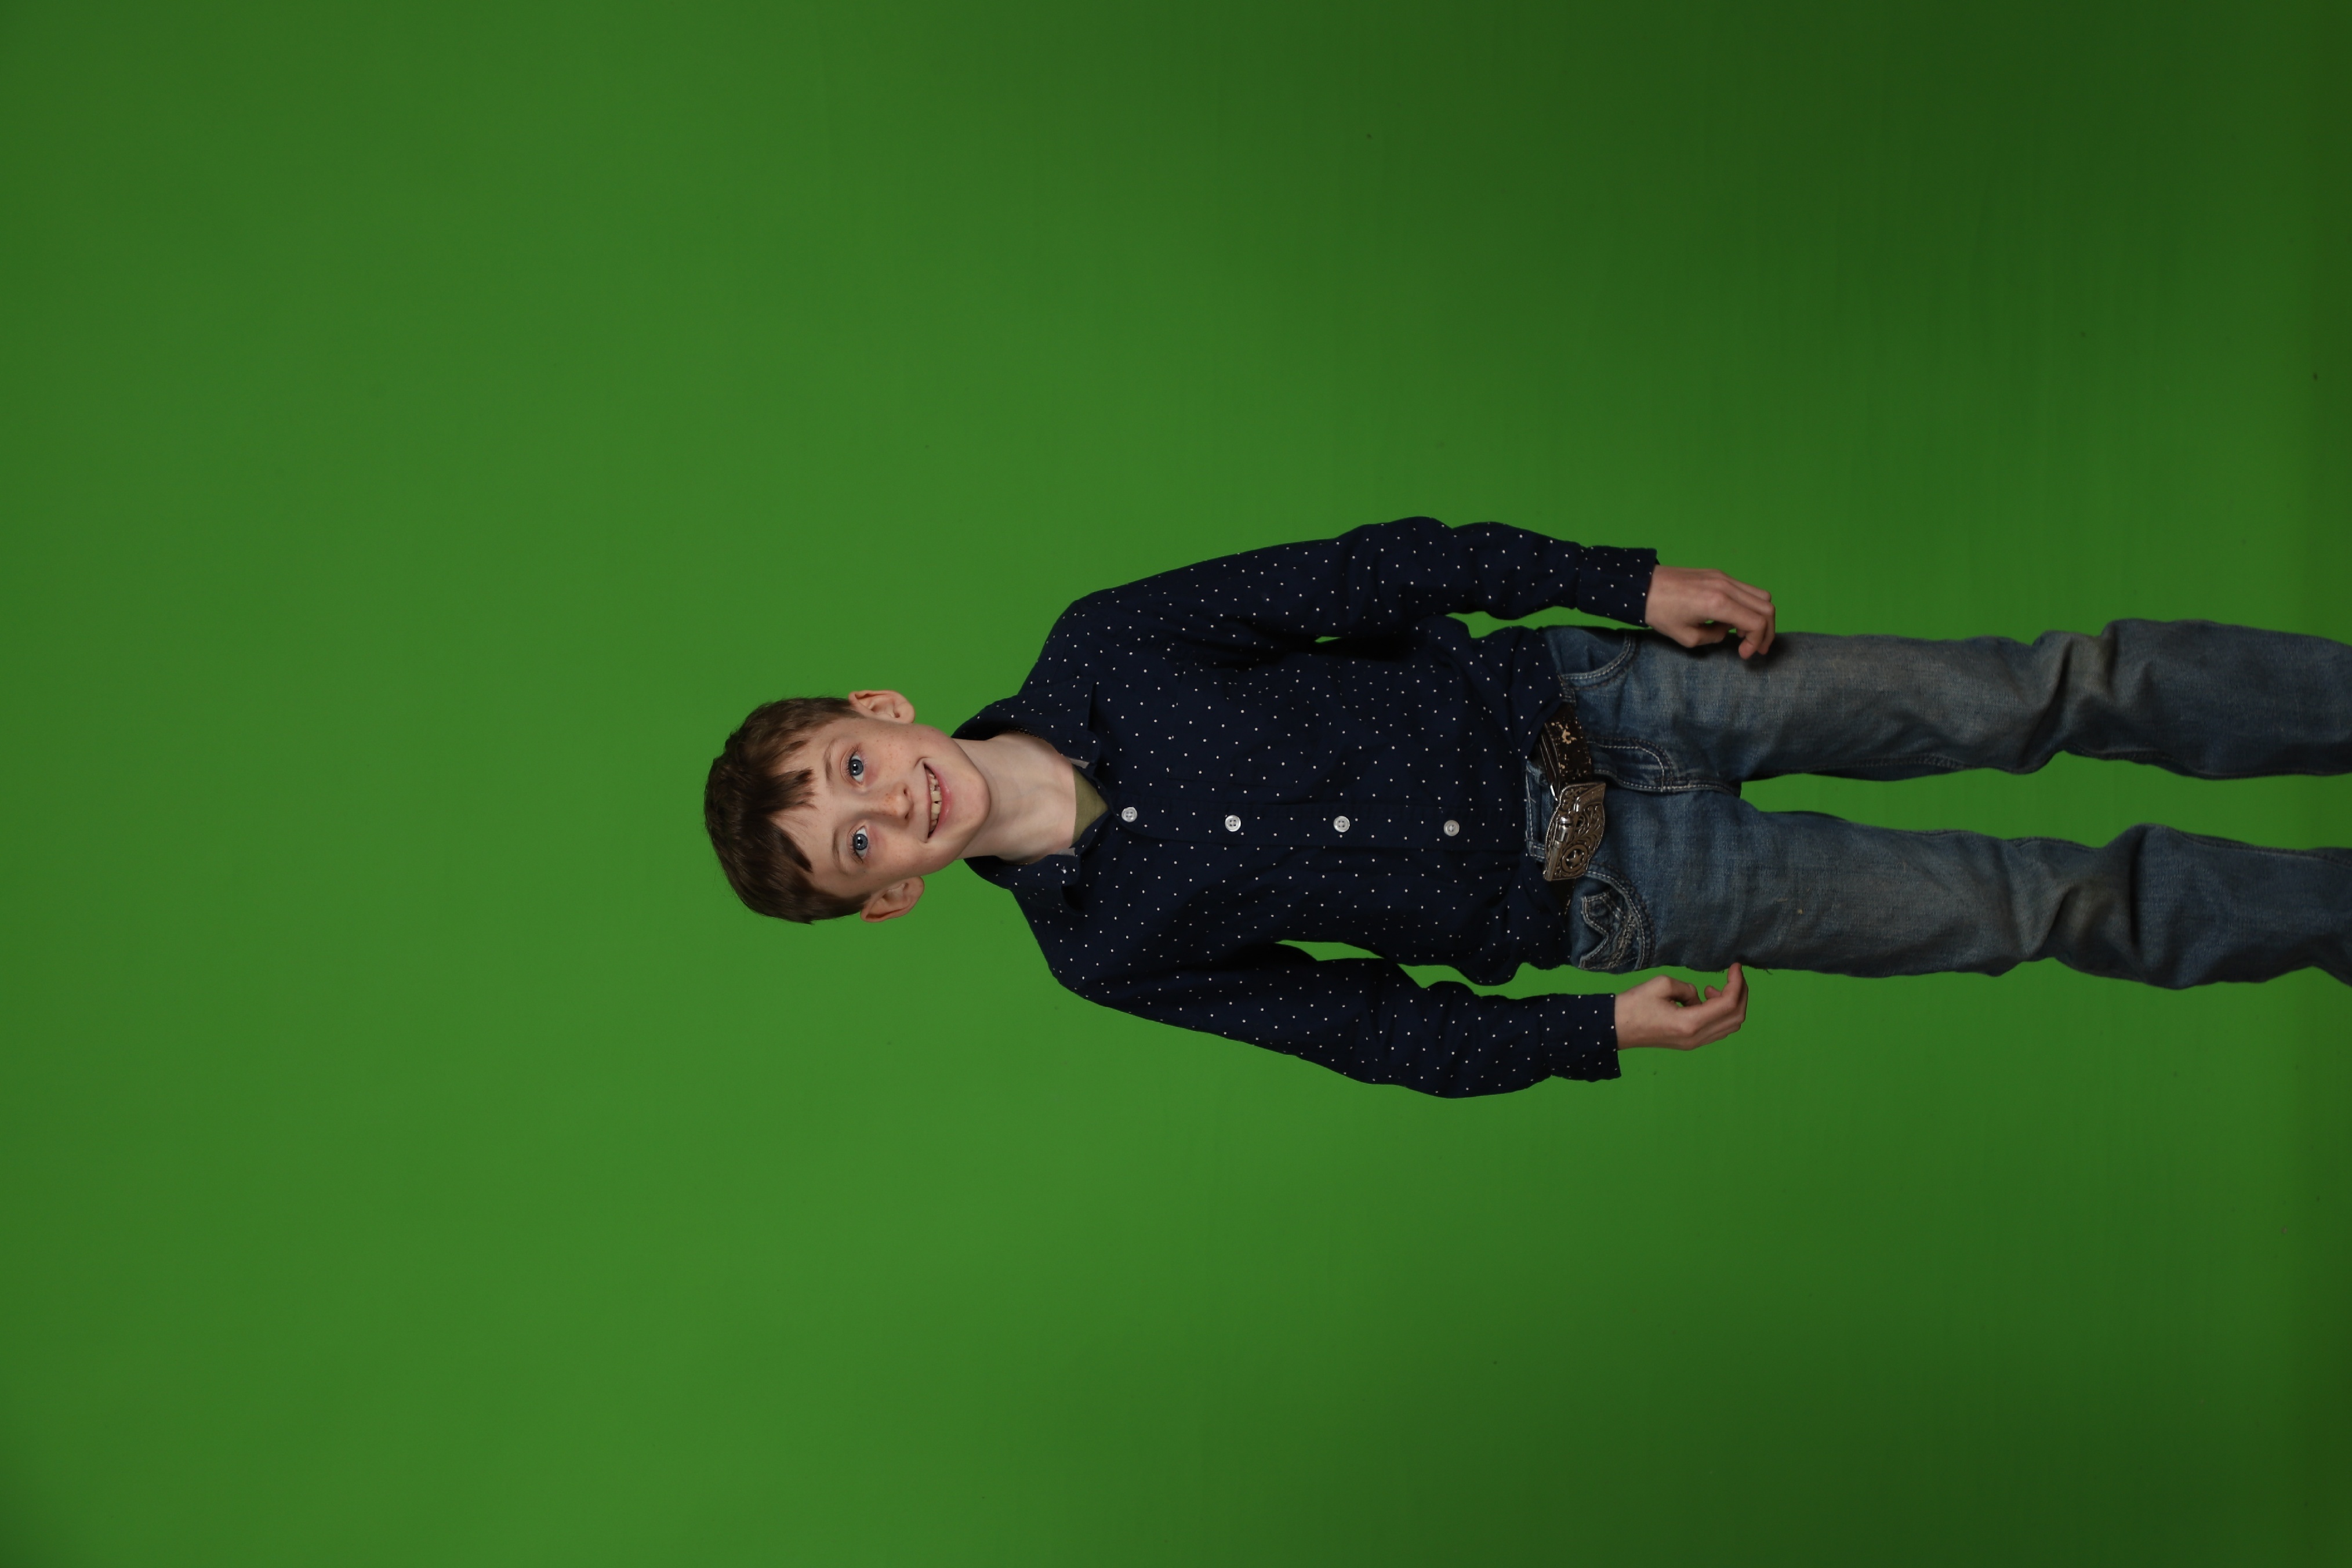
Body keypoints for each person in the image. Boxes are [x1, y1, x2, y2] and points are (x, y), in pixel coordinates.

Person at [702, 517, 2352, 1097]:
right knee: (2032, 906)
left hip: (1609, 698)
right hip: (1617, 890)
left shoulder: (1104, 647)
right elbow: (1363, 1029)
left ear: (878, 710)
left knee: (2036, 690)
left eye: (851, 767)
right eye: (860, 844)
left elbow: (1369, 573)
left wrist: (1617, 583)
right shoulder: (1103, 951)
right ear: (891, 896)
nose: (885, 802)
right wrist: (1587, 1032)